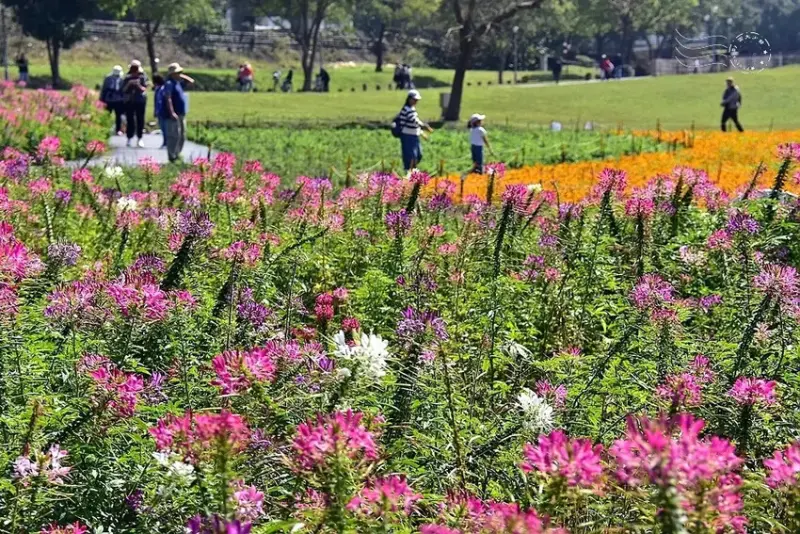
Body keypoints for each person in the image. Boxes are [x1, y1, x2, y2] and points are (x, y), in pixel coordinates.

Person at [397, 89, 433, 173]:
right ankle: (409, 172)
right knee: (410, 156)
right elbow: (414, 121)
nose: (416, 102)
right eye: (414, 100)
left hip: (414, 135)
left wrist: (421, 132)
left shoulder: (412, 109)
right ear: (409, 99)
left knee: (418, 155)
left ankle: (413, 171)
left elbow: (414, 125)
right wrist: (424, 126)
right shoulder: (406, 109)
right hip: (407, 136)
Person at [162, 63, 190, 163]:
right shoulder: (169, 83)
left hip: (182, 113)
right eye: (177, 73)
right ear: (172, 74)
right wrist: (172, 112)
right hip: (173, 114)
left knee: (182, 134)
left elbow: (191, 82)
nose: (180, 74)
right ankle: (172, 156)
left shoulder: (177, 82)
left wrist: (181, 75)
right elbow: (168, 98)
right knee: (173, 135)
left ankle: (177, 154)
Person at [122, 60, 148, 148]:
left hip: (140, 101)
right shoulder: (127, 78)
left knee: (140, 119)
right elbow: (123, 90)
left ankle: (140, 138)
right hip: (129, 101)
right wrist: (129, 84)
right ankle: (129, 137)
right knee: (130, 120)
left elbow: (145, 89)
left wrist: (138, 85)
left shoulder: (142, 77)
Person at [100, 65, 125, 136]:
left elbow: (123, 91)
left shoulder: (122, 80)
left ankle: (118, 130)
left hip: (119, 100)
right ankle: (105, 128)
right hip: (109, 100)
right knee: (107, 115)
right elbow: (104, 89)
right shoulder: (108, 79)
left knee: (118, 116)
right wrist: (102, 99)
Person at [153, 74, 168, 149]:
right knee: (163, 128)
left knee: (164, 127)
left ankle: (166, 143)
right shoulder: (160, 89)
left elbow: (158, 101)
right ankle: (165, 142)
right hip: (160, 111)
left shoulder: (161, 89)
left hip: (162, 111)